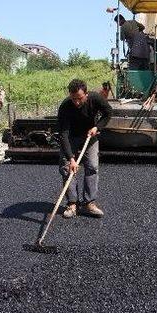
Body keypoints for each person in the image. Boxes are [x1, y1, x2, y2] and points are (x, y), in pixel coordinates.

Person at [58, 79, 112, 218]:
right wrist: (71, 158)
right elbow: (63, 134)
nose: (76, 102)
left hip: (90, 136)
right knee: (67, 169)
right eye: (73, 98)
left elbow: (108, 112)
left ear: (86, 94)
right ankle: (72, 204)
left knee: (92, 166)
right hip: (71, 137)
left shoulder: (95, 98)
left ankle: (89, 203)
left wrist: (97, 127)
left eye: (79, 99)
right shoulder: (65, 106)